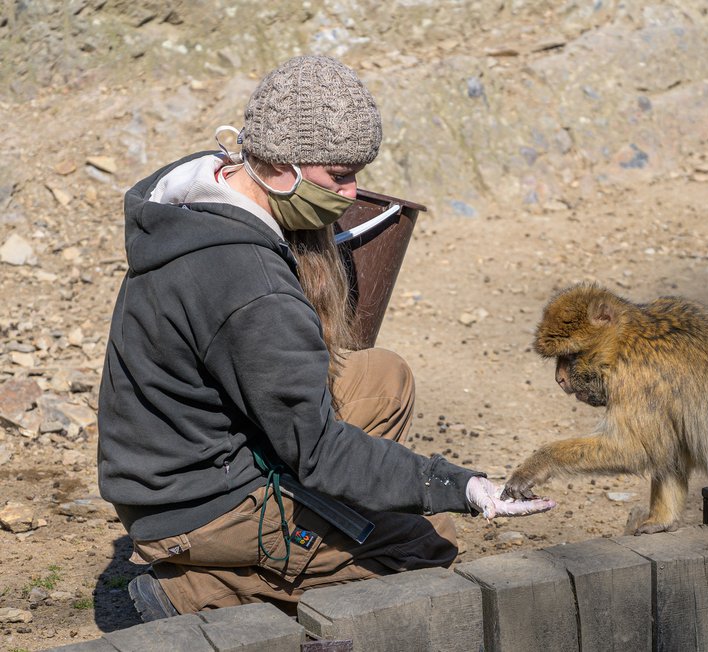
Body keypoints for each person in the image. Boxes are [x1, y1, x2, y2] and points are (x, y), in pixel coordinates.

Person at [97, 55, 554, 621]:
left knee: (382, 378)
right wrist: (461, 487)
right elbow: (319, 453)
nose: (352, 190)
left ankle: (289, 540)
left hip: (166, 455)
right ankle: (198, 592)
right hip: (192, 502)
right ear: (279, 165)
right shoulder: (253, 289)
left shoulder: (200, 190)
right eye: (339, 176)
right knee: (418, 547)